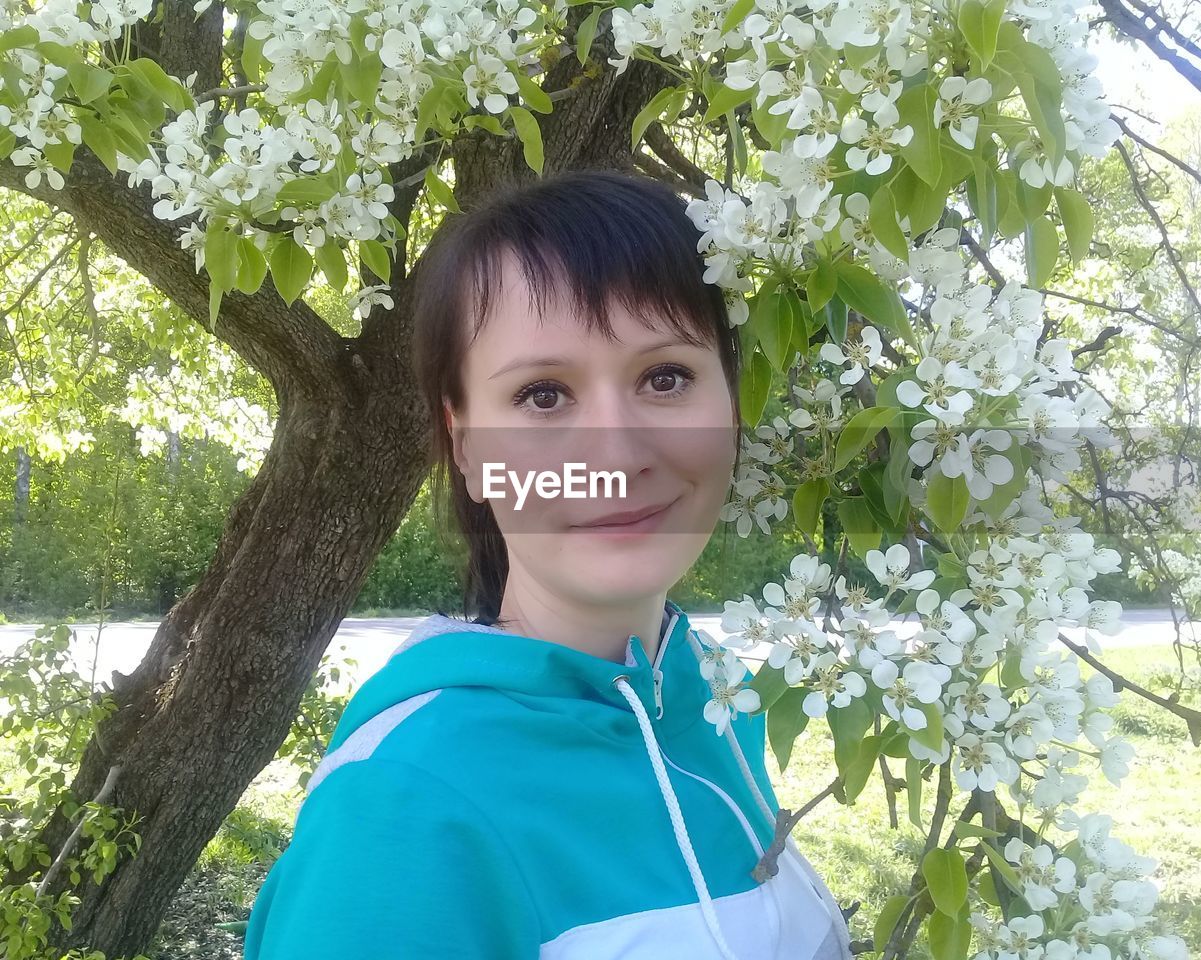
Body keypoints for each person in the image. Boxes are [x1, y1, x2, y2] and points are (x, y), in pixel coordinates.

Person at [243, 169, 852, 959]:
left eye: (665, 377)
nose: (617, 454)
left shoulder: (713, 698)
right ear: (466, 446)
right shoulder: (404, 807)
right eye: (541, 395)